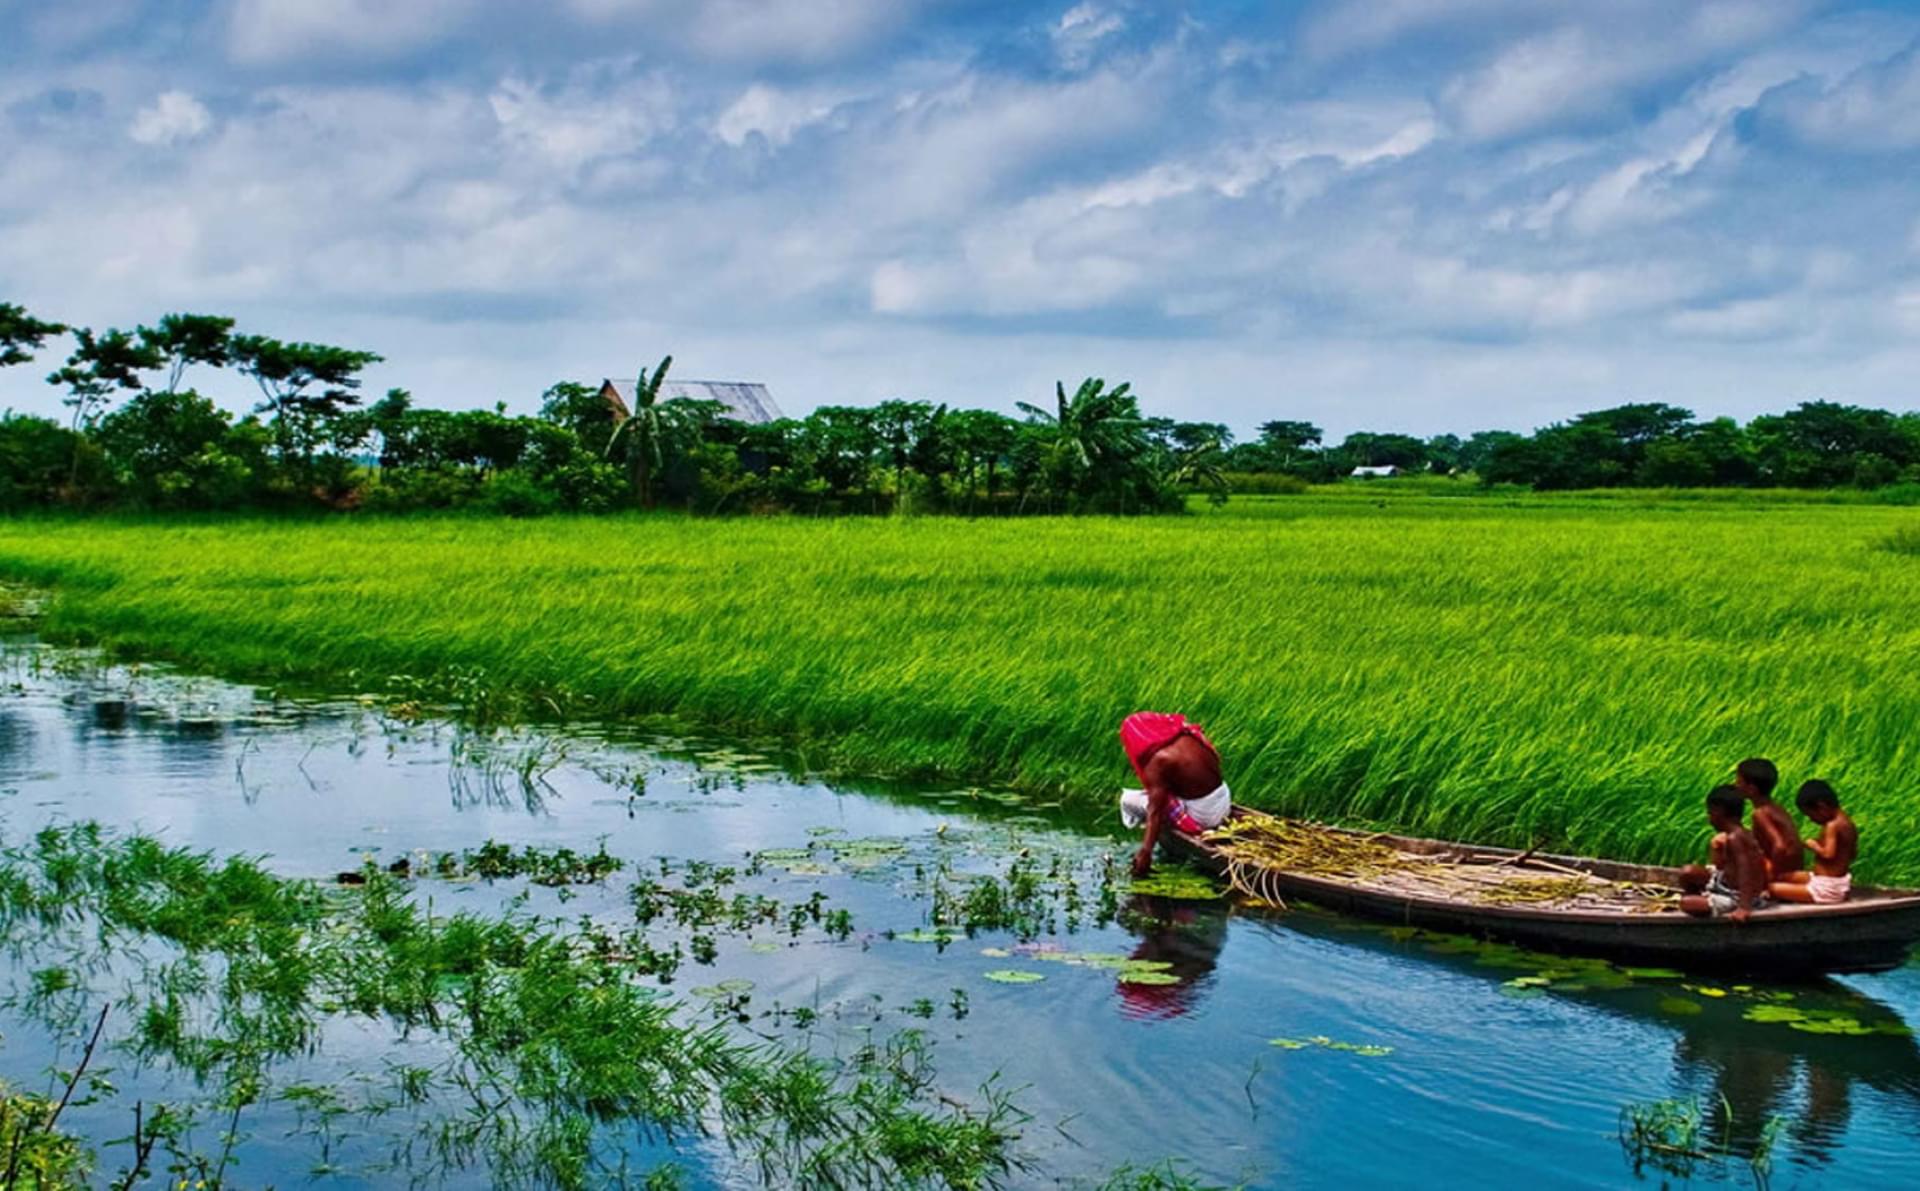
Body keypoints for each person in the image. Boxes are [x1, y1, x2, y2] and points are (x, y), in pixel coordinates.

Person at [1118, 711, 1231, 877]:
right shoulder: (1186, 735)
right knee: (1160, 792)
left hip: (1205, 816)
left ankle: (1162, 833)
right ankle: (1162, 829)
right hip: (1224, 802)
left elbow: (1155, 811)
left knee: (1129, 800)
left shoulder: (1159, 760)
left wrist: (1145, 852)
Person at [1679, 785, 1768, 923]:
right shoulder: (1740, 834)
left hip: (1735, 897)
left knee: (1686, 903)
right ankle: (1705, 896)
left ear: (1719, 812)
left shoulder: (1735, 839)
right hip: (1723, 884)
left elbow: (1746, 870)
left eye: (1710, 813)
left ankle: (1705, 903)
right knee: (1688, 872)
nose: (1709, 819)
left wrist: (1744, 907)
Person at [1770, 780, 1858, 905]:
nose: (1811, 819)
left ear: (1822, 807)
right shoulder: (1848, 823)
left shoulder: (1832, 826)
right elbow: (1852, 853)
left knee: (1772, 888)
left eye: (1810, 815)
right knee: (1784, 876)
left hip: (1825, 889)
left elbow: (1828, 854)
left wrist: (1813, 845)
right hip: (1834, 882)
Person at [1733, 757, 1803, 879]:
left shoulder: (1760, 813)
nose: (1735, 785)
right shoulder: (1775, 807)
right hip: (1792, 867)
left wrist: (1772, 875)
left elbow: (1780, 846)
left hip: (1782, 871)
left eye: (1739, 782)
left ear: (1751, 789)